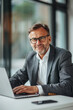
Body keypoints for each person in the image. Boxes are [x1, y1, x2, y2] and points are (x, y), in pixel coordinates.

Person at [10, 23, 73, 96]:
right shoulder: (30, 56)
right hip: (37, 100)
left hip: (58, 101)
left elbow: (68, 86)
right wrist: (4, 85)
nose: (38, 43)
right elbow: (18, 78)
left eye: (42, 38)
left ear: (49, 39)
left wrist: (36, 89)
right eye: (34, 39)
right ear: (30, 42)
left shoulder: (63, 55)